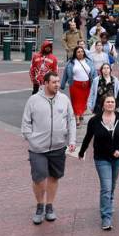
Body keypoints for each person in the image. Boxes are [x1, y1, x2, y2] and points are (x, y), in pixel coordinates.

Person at [20, 71, 76, 225]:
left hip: (58, 147)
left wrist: (71, 140)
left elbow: (71, 120)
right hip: (38, 149)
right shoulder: (33, 100)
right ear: (45, 83)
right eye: (54, 82)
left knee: (54, 177)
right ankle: (39, 206)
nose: (58, 84)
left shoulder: (64, 99)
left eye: (58, 82)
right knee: (39, 178)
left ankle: (49, 206)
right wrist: (31, 139)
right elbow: (26, 123)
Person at [79, 95, 119, 230]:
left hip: (118, 158)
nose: (110, 104)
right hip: (102, 158)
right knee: (106, 187)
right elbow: (88, 137)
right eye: (107, 102)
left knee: (112, 184)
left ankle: (109, 201)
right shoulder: (95, 120)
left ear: (115, 104)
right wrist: (82, 151)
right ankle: (106, 217)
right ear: (103, 105)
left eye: (112, 102)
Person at [61, 46, 95, 126]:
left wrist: (95, 83)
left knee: (84, 101)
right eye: (78, 52)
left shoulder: (89, 61)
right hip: (75, 85)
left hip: (87, 85)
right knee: (76, 102)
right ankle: (77, 118)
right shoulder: (71, 62)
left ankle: (81, 113)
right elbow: (65, 74)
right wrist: (62, 84)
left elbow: (93, 73)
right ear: (75, 53)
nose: (80, 53)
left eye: (82, 51)